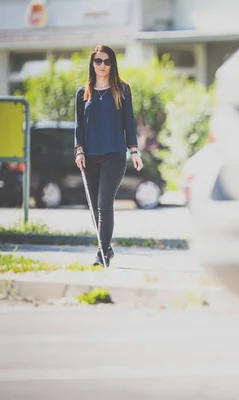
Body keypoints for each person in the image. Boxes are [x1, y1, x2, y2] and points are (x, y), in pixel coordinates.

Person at [74, 45, 143, 267]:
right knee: (94, 206)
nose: (102, 65)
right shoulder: (82, 93)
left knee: (105, 203)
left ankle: (101, 254)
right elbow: (78, 127)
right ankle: (108, 248)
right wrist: (79, 150)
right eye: (98, 61)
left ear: (112, 65)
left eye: (107, 61)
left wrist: (134, 151)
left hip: (114, 154)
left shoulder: (122, 90)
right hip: (90, 156)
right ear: (92, 64)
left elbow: (128, 123)